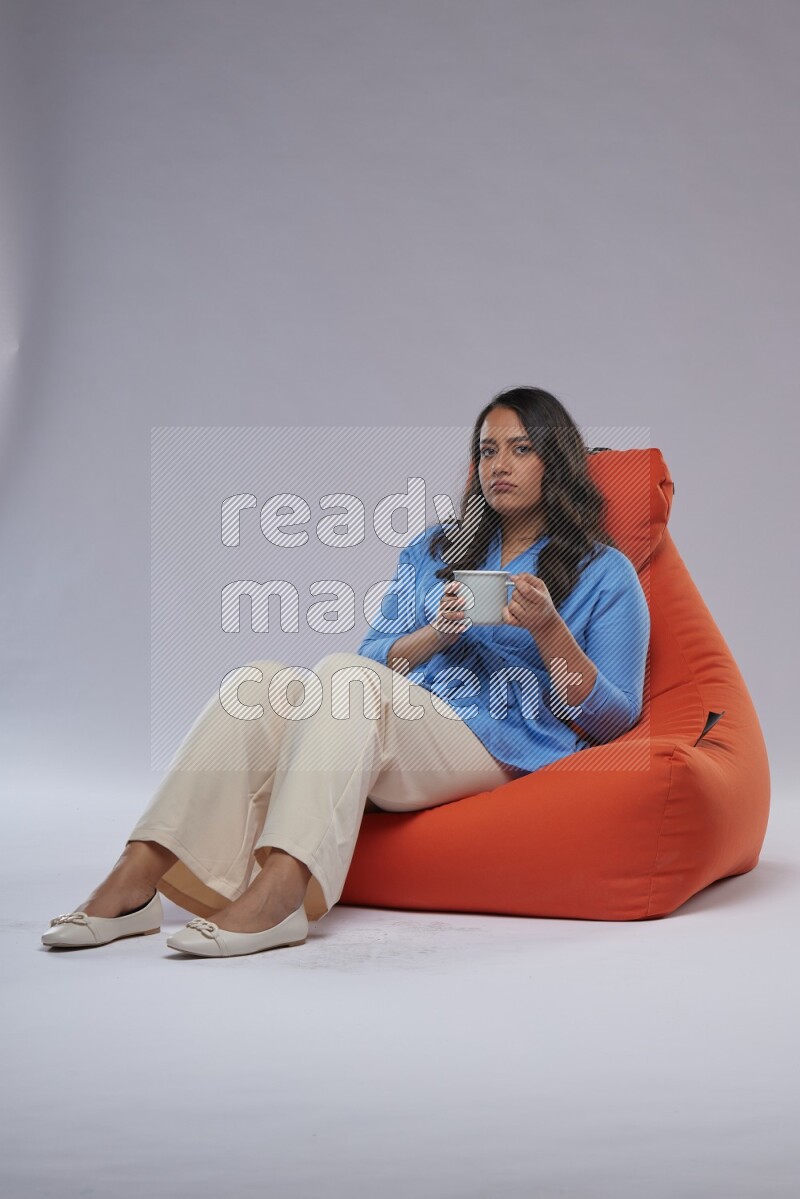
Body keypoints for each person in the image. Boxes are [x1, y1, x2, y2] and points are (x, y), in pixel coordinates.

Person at [40, 386, 650, 958]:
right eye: (487, 450)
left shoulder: (606, 572)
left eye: (522, 449)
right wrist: (438, 632)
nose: (499, 465)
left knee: (343, 676)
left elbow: (615, 718)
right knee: (260, 682)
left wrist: (548, 630)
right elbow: (377, 652)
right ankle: (140, 874)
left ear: (557, 463)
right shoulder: (437, 550)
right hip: (410, 720)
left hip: (502, 741)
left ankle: (282, 893)